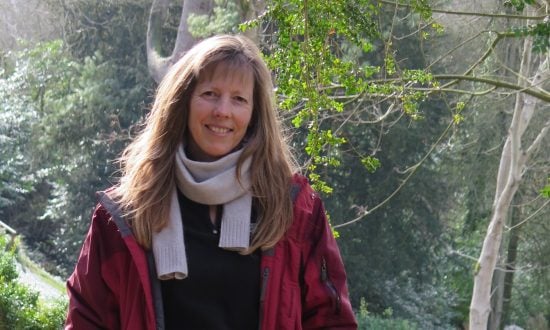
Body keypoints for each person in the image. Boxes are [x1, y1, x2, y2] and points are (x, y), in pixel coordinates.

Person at [65, 34, 357, 330]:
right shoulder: (123, 214)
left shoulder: (295, 211)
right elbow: (87, 319)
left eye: (239, 99)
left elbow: (331, 321)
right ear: (183, 101)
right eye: (210, 94)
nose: (223, 111)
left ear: (255, 114)